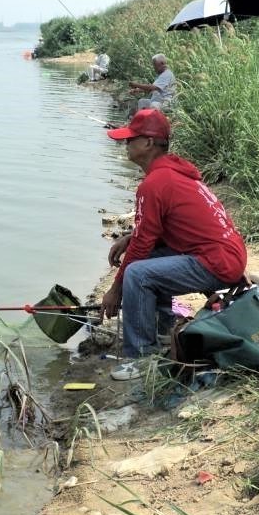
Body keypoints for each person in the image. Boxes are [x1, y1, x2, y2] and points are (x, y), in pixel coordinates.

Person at [101, 109, 247, 380]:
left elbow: (142, 248)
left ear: (148, 143)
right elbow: (152, 233)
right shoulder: (173, 173)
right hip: (227, 255)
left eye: (131, 138)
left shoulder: (154, 183)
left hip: (216, 262)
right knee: (147, 260)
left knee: (137, 273)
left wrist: (115, 289)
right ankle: (162, 328)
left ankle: (141, 356)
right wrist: (130, 237)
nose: (126, 143)